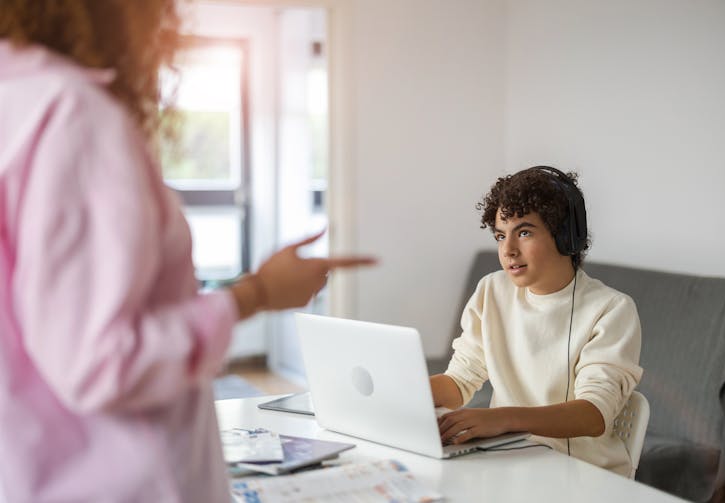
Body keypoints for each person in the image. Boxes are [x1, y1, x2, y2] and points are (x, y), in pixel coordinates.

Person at [0, 2, 374, 502]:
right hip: (119, 481)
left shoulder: (17, 103)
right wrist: (254, 294)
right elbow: (99, 362)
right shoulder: (71, 114)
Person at [430, 166, 642, 477]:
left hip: (582, 477)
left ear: (565, 236)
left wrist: (501, 419)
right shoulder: (492, 290)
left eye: (524, 232)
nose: (508, 250)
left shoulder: (611, 309)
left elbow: (594, 414)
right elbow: (460, 381)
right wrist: (401, 391)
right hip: (510, 464)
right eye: (501, 235)